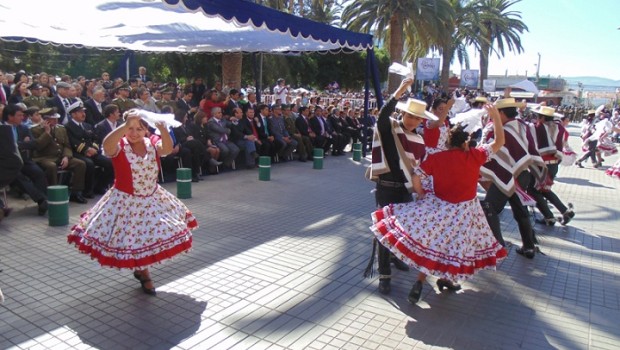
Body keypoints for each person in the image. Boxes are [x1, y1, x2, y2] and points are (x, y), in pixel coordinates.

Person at [371, 102, 507, 304]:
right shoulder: (475, 156)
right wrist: (496, 117)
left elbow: (417, 175)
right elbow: (499, 142)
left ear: (449, 141)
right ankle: (434, 280)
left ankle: (426, 281)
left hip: (440, 208)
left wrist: (422, 194)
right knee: (453, 248)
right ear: (465, 143)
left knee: (434, 245)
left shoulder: (438, 158)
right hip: (465, 212)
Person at [68, 110, 198, 296]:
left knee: (152, 236)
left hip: (152, 198)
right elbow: (107, 145)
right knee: (132, 239)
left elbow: (167, 149)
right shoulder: (119, 145)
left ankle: (141, 269)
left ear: (146, 130)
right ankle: (144, 274)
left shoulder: (152, 142)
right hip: (126, 201)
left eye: (139, 128)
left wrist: (162, 127)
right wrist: (125, 125)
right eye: (130, 128)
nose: (134, 132)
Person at [364, 78, 433, 295]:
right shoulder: (391, 128)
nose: (413, 120)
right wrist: (400, 90)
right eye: (410, 115)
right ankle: (384, 275)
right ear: (403, 113)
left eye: (417, 117)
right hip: (386, 187)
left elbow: (419, 169)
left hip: (405, 190)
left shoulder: (420, 140)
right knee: (385, 232)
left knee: (403, 231)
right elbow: (383, 115)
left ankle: (396, 257)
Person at [479, 98, 545, 259]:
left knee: (489, 207)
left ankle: (498, 246)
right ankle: (529, 247)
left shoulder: (502, 130)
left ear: (501, 113)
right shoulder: (522, 125)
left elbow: (492, 150)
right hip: (522, 172)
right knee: (520, 211)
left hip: (508, 175)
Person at [528, 106, 575, 226]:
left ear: (542, 117)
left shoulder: (537, 127)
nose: (536, 119)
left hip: (541, 164)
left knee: (533, 190)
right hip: (554, 164)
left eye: (538, 116)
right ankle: (564, 211)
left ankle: (549, 216)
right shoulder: (559, 127)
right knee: (544, 190)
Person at [31, 109, 88, 203]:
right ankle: (54, 193)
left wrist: (66, 157)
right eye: (53, 119)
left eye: (57, 118)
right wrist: (47, 133)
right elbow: (38, 146)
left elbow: (67, 145)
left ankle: (76, 192)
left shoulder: (61, 128)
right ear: (46, 120)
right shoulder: (35, 130)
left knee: (80, 164)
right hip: (44, 157)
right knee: (51, 166)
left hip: (60, 156)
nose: (56, 121)